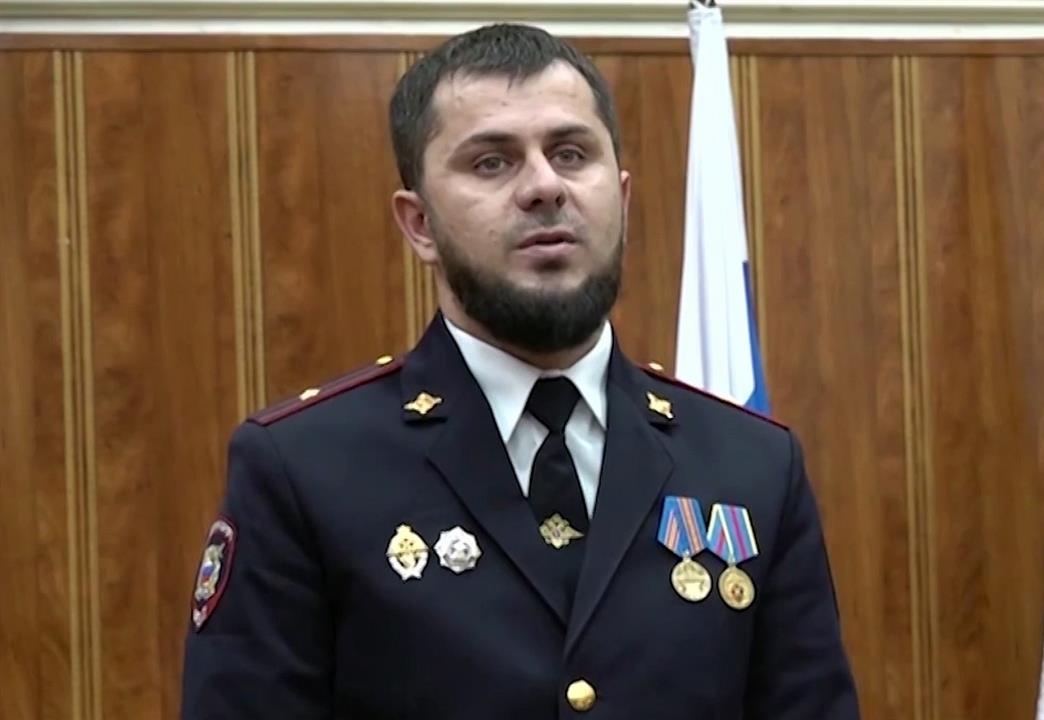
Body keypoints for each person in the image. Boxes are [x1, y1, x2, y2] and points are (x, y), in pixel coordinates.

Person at [180, 22, 859, 719]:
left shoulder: (753, 465)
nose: (544, 186)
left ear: (622, 200)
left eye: (571, 153)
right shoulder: (305, 469)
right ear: (419, 225)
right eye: (491, 162)